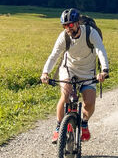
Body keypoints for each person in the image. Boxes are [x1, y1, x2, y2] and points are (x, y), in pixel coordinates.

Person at [41, 8, 109, 143]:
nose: (68, 28)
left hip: (87, 71)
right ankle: (59, 127)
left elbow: (100, 50)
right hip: (68, 69)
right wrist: (45, 73)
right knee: (65, 95)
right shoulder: (64, 36)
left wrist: (104, 70)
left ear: (78, 23)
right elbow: (54, 56)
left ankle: (83, 123)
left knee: (89, 102)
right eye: (65, 25)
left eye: (70, 24)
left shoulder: (90, 33)